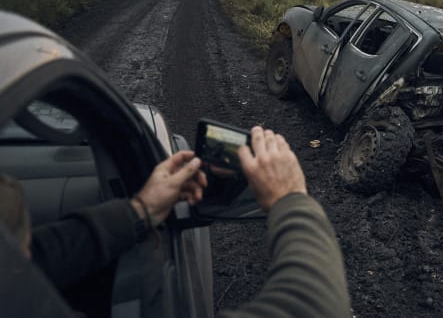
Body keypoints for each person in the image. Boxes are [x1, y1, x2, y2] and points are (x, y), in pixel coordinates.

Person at [0, 126, 351, 318]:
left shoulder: (17, 283)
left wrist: (141, 210)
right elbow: (314, 306)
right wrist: (291, 198)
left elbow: (35, 260)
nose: (25, 258)